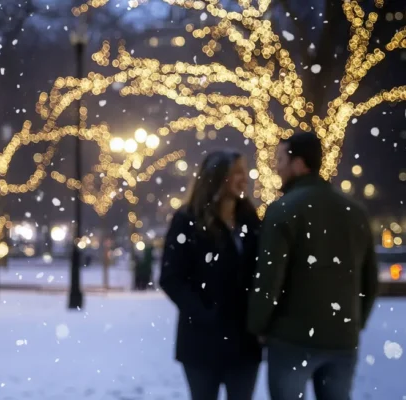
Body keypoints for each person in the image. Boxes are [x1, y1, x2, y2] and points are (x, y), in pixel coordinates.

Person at [247, 132, 378, 400]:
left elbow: (269, 279)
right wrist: (354, 323)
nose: (277, 166)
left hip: (292, 338)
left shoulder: (283, 210)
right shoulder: (355, 212)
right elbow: (370, 280)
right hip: (342, 339)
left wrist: (257, 325)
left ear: (299, 163)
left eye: (281, 159)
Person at [160, 150, 262, 400]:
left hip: (244, 340)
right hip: (202, 342)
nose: (244, 179)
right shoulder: (187, 220)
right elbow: (171, 277)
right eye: (237, 172)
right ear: (218, 177)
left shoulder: (250, 219)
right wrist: (204, 313)